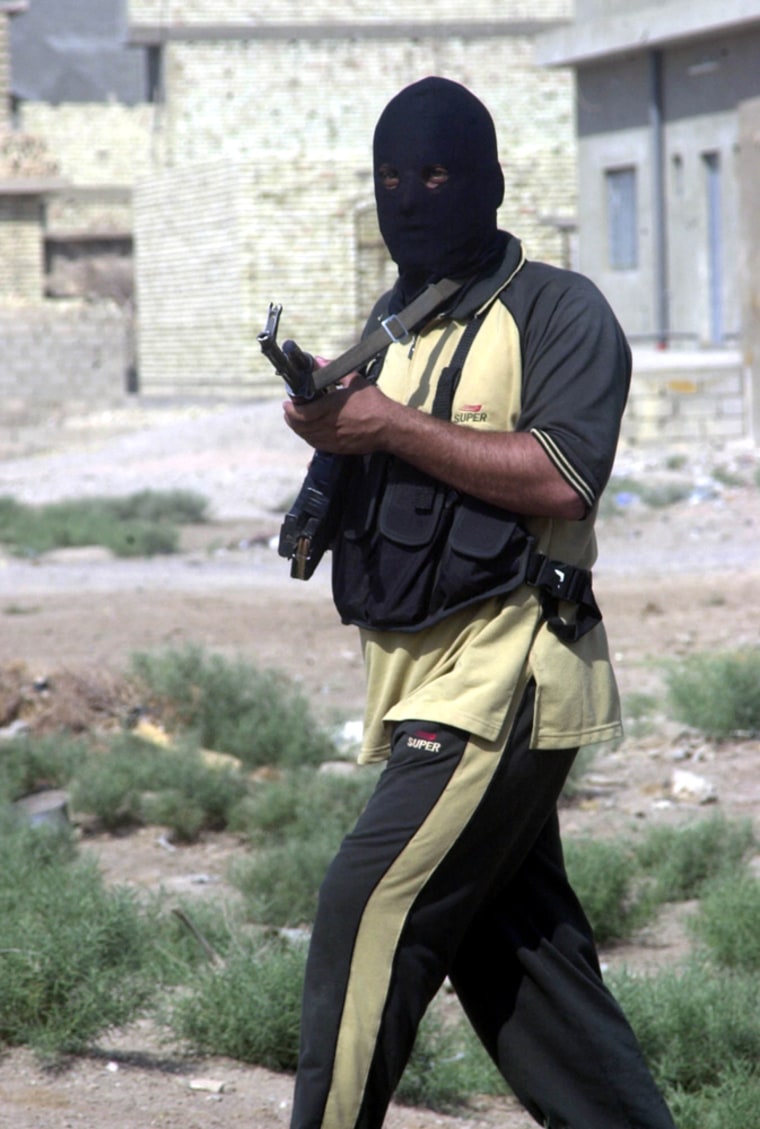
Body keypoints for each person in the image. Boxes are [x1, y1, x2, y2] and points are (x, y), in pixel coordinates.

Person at [282, 76, 676, 1129]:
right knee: (526, 971)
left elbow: (561, 478)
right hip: (419, 677)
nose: (409, 198)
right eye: (390, 178)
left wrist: (389, 428)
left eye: (437, 174)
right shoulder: (394, 320)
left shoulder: (560, 310)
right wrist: (330, 431)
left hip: (509, 675)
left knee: (366, 909)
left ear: (491, 183)